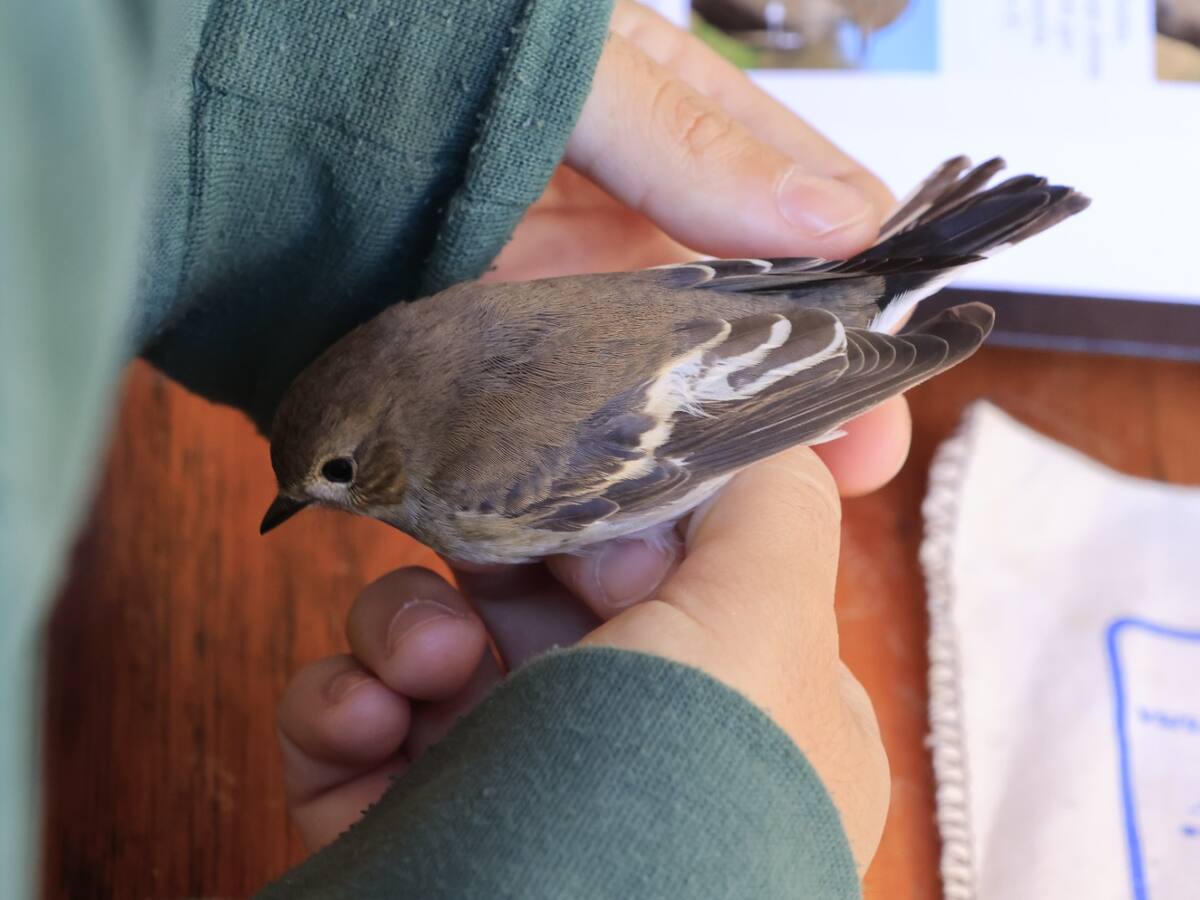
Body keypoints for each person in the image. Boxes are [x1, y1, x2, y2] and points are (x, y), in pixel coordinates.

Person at [1, 1, 909, 896]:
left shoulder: (471, 482)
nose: (326, 494)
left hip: (740, 389)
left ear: (380, 442)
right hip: (725, 320)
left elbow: (681, 426)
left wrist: (701, 780)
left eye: (339, 474)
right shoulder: (446, 340)